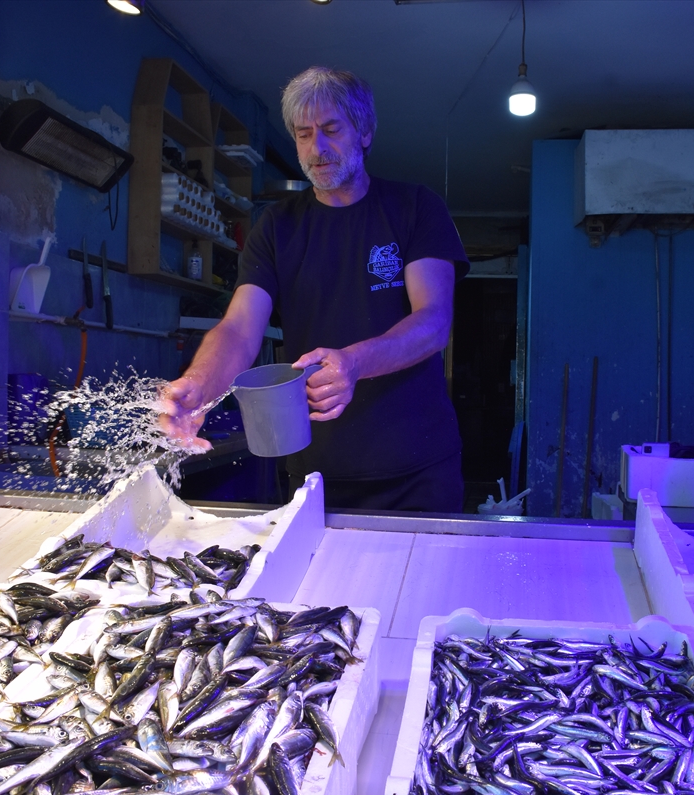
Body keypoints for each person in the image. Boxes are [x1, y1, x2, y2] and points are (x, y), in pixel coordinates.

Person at [159, 66, 469, 512]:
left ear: (364, 132)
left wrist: (355, 362)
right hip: (317, 473)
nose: (316, 148)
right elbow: (240, 327)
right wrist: (198, 384)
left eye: (331, 130)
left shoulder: (415, 208)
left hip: (418, 468)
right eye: (303, 134)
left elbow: (434, 321)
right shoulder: (277, 227)